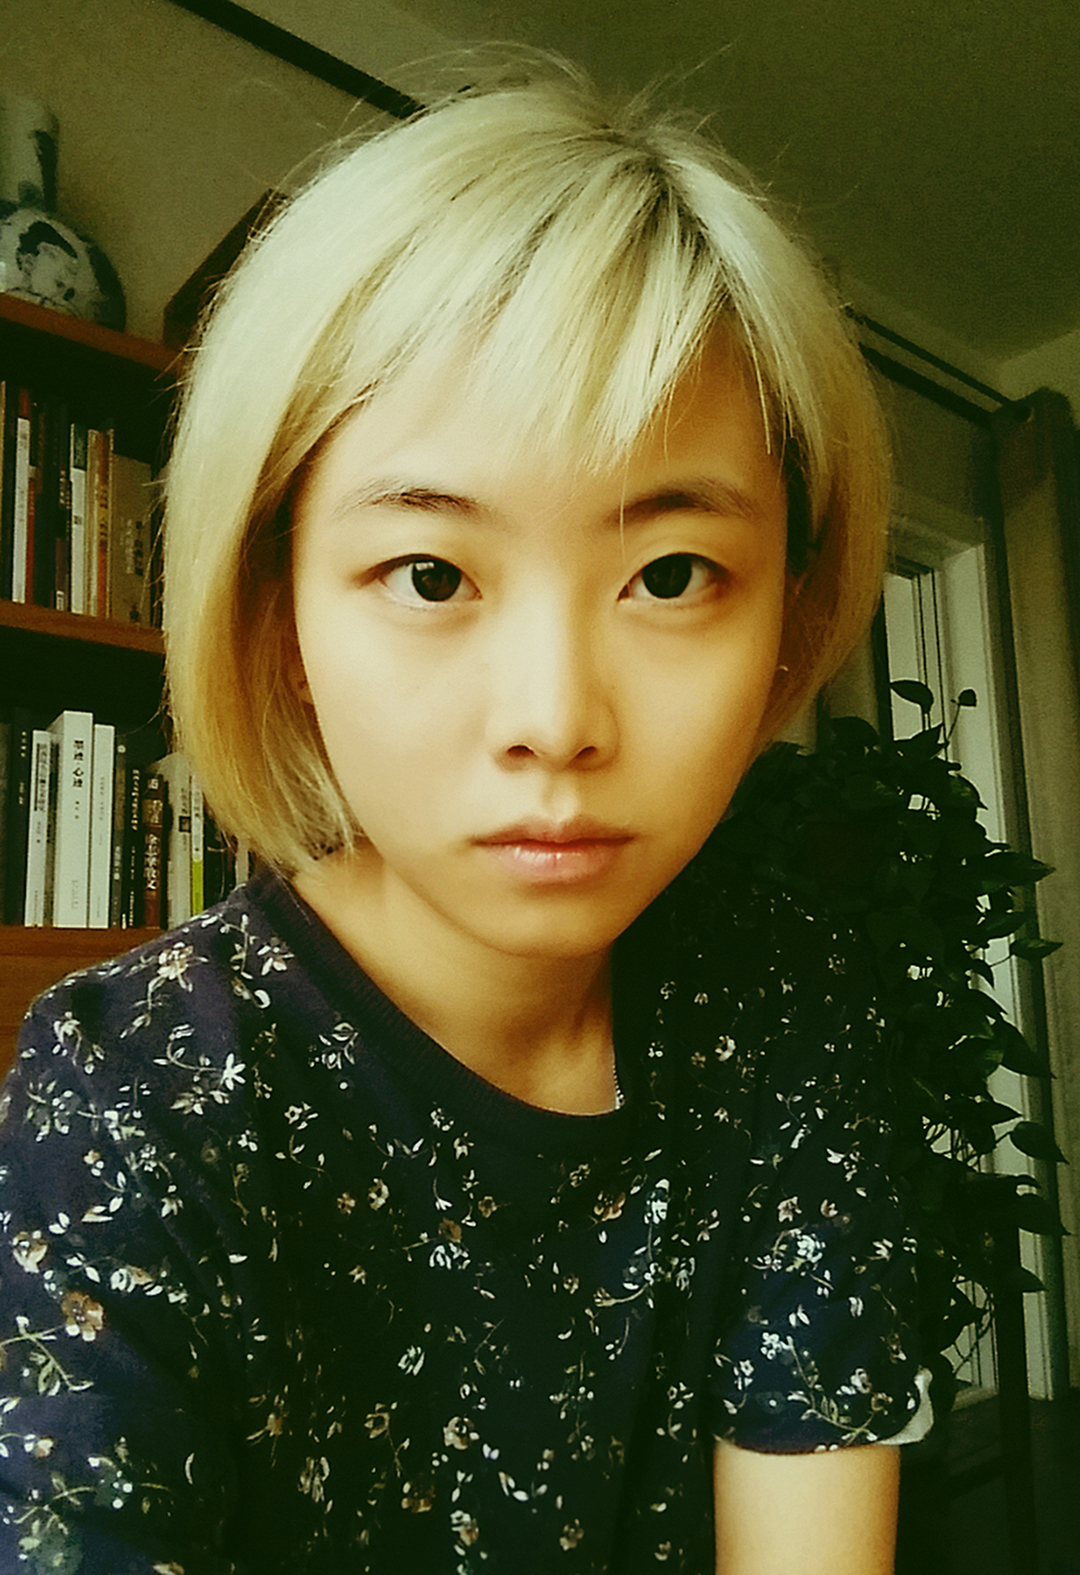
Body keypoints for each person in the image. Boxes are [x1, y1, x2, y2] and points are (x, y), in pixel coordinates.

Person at [0, 63, 931, 1574]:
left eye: (671, 575)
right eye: (431, 575)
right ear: (275, 615)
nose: (555, 719)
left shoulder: (787, 1007)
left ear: (788, 613)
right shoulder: (138, 1093)